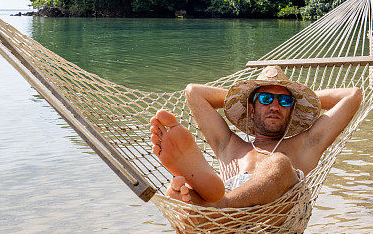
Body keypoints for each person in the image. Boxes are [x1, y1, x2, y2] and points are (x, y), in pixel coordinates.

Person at [149, 65, 362, 208]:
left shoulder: (306, 145)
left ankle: (212, 208)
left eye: (284, 102)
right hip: (225, 205)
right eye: (266, 98)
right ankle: (194, 214)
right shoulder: (229, 144)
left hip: (274, 212)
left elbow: (353, 96)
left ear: (292, 111)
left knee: (279, 162)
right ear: (251, 108)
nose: (275, 106)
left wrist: (303, 100)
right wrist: (241, 98)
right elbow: (194, 92)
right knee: (179, 191)